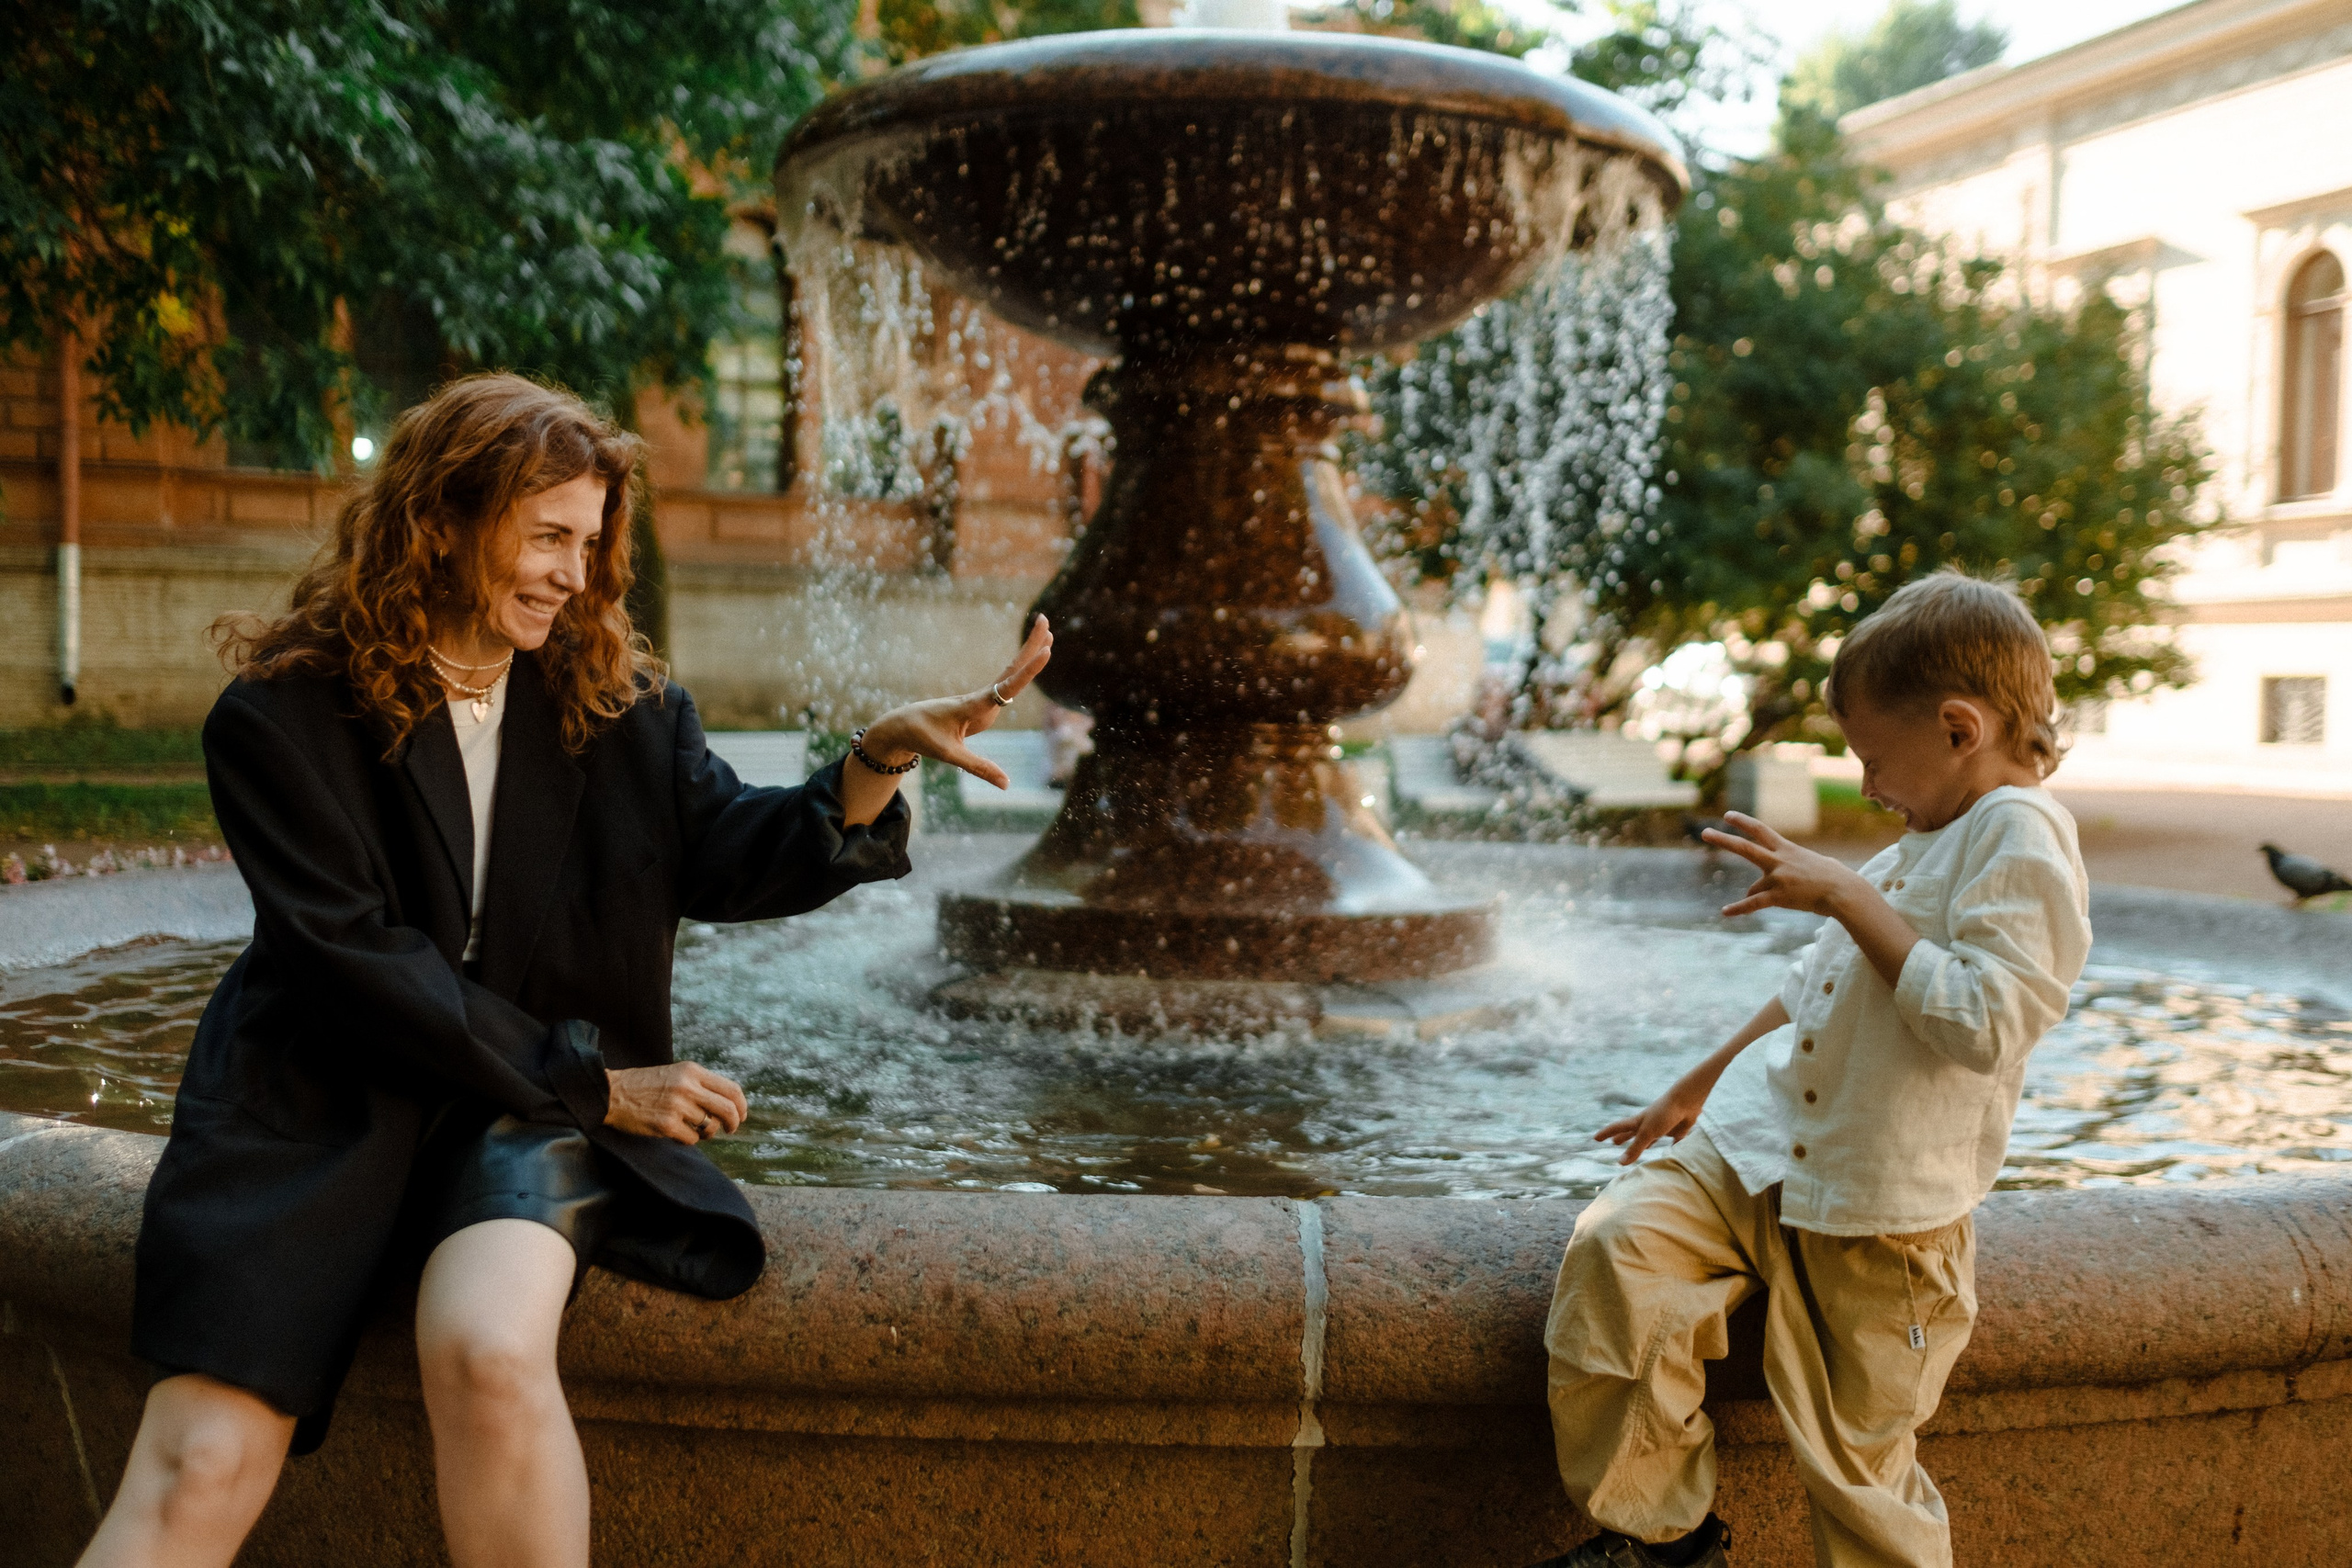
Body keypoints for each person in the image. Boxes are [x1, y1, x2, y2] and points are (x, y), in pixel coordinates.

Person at [76, 372, 1053, 1568]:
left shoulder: (623, 707)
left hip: (517, 1109)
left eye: (589, 544)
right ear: (440, 520)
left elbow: (733, 853)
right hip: (321, 1095)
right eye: (546, 537)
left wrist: (875, 755)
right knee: (201, 1459)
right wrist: (599, 1086)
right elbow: (356, 962)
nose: (574, 576)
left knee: (487, 1349)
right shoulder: (277, 720)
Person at [1533, 572, 2091, 1568]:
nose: (1867, 785)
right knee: (1619, 1255)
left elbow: (1986, 1023)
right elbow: (1815, 985)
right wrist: (1694, 1086)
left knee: (1858, 1464)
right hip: (1756, 1147)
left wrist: (1844, 893)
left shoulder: (2021, 836)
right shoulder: (1928, 833)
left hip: (1880, 1211)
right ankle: (1661, 1536)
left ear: (1960, 729)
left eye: (1872, 759)